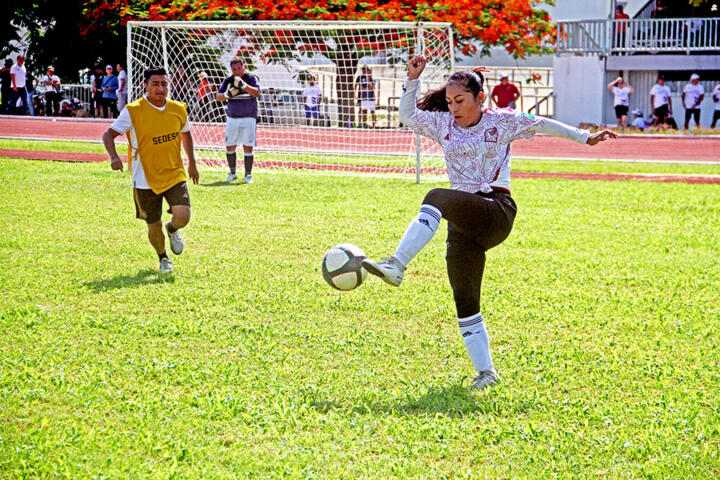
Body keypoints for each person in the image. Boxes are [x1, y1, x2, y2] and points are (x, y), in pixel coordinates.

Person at [360, 55, 616, 390]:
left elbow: (543, 123)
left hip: (496, 210)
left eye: (461, 101)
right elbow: (408, 116)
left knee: (436, 197)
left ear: (481, 98)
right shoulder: (443, 125)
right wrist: (412, 79)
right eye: (450, 101)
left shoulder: (502, 121)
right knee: (465, 301)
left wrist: (585, 138)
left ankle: (396, 265)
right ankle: (487, 373)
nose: (453, 107)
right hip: (464, 222)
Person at [101, 66, 199, 273]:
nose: (160, 88)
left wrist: (192, 162)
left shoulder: (178, 108)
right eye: (155, 84)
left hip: (174, 172)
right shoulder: (133, 110)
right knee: (153, 223)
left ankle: (172, 229)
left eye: (164, 84)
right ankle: (163, 258)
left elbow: (186, 133)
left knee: (183, 216)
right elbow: (108, 135)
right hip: (143, 177)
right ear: (144, 86)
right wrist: (114, 157)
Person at [216, 57, 261, 183]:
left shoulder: (251, 78)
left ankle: (248, 175)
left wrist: (244, 85)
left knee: (248, 146)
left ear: (243, 67)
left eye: (239, 68)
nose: (237, 71)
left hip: (249, 117)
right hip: (232, 117)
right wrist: (227, 95)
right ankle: (232, 172)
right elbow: (218, 97)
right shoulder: (228, 80)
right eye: (234, 69)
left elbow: (257, 93)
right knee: (230, 145)